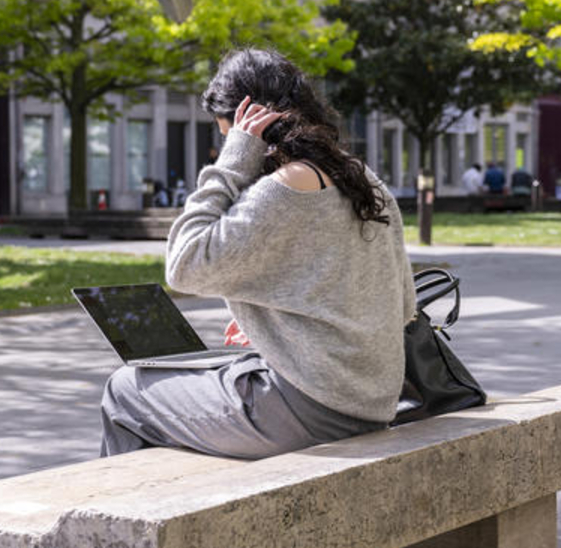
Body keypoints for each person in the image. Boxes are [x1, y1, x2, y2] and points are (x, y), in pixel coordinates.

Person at [98, 48, 415, 459]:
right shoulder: (362, 179)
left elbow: (184, 264)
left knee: (126, 389)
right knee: (215, 372)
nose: (225, 145)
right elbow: (403, 305)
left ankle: (134, 517)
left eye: (226, 134)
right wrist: (281, 333)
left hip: (311, 411)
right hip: (371, 403)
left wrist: (232, 161)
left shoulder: (281, 190)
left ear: (249, 127)